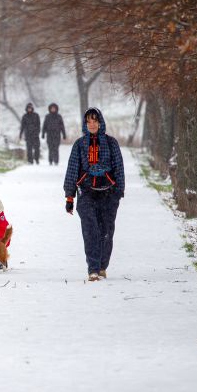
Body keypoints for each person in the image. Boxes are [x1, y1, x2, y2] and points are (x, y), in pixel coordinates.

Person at [63, 107, 124, 282]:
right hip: (86, 192)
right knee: (90, 231)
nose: (91, 124)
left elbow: (119, 168)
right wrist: (69, 196)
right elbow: (72, 170)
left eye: (94, 121)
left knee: (106, 232)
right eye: (88, 121)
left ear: (100, 122)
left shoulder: (111, 143)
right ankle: (93, 269)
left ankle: (102, 266)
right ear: (85, 124)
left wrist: (118, 192)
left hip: (108, 193)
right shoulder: (79, 144)